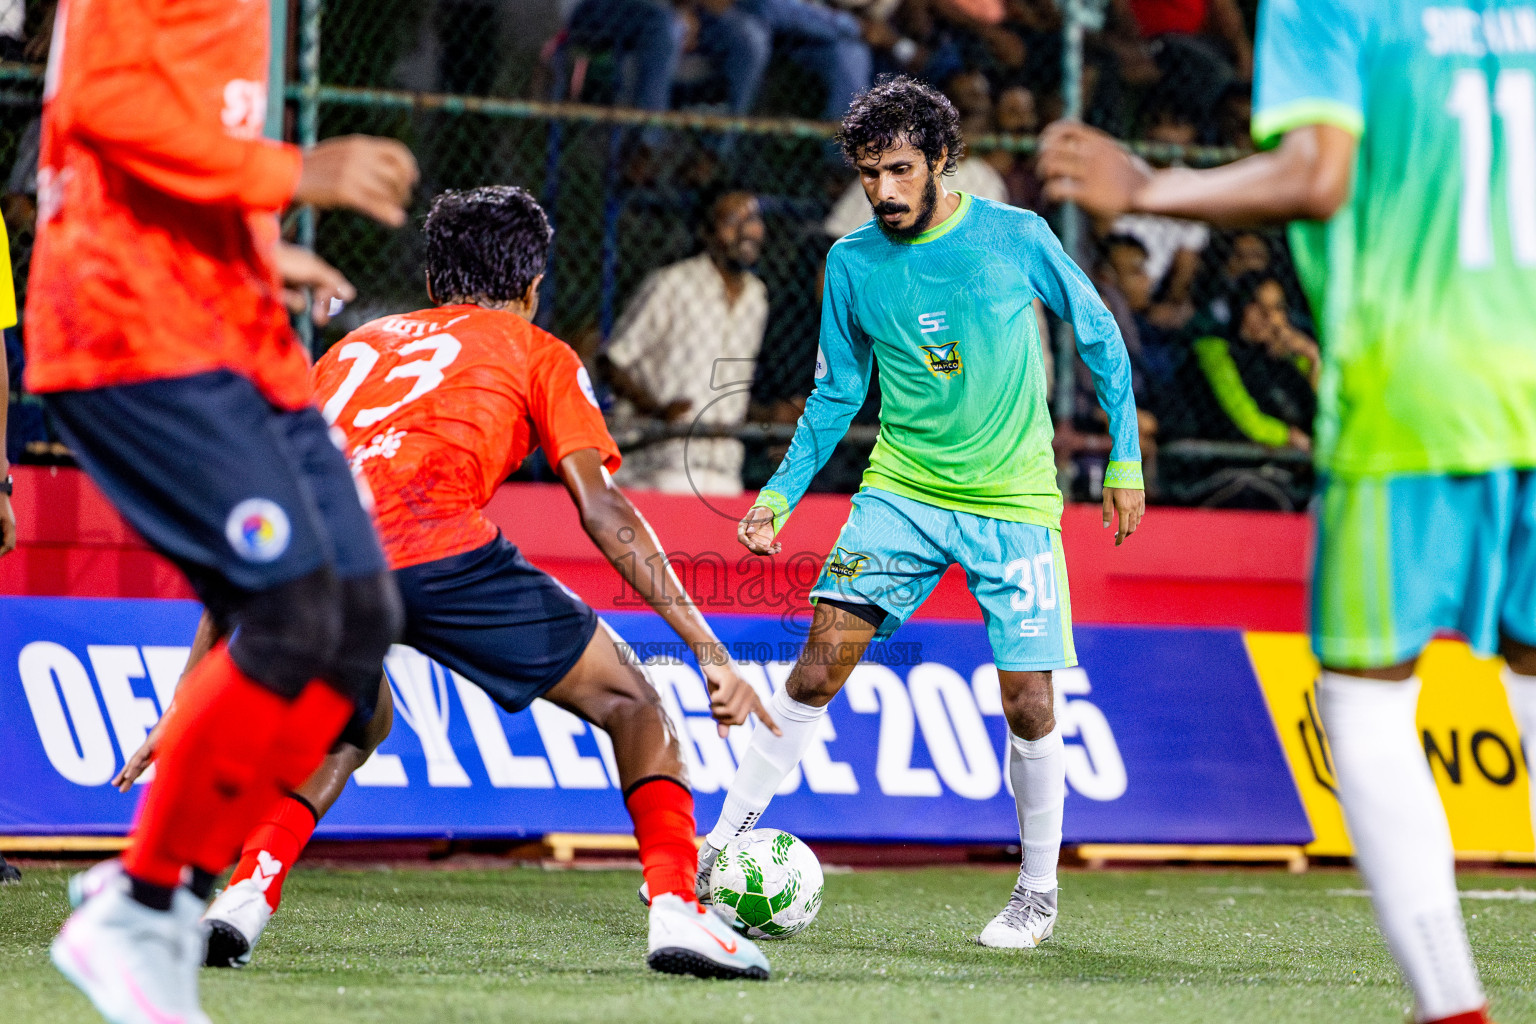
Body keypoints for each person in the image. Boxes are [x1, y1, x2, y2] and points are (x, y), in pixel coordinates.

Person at [114, 186, 779, 982]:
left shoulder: (349, 351)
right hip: (436, 545)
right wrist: (708, 649)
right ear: (533, 287)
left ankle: (244, 897)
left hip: (314, 566)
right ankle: (679, 912)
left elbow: (264, 517)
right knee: (633, 704)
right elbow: (601, 507)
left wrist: (189, 694)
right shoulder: (537, 349)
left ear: (433, 283)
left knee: (355, 723)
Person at [1039, 2, 1536, 1020]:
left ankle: (1452, 1006)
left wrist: (1151, 185)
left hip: (1414, 390)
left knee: (1364, 697)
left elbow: (1318, 174)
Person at [31, 1, 420, 1020]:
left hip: (230, 320)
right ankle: (149, 900)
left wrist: (251, 244)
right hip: (129, 327)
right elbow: (104, 105)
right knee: (291, 609)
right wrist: (292, 177)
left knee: (359, 625)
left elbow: (187, 115)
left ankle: (142, 896)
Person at [705, 75, 1145, 949]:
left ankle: (1036, 893)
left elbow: (1099, 334)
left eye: (901, 170)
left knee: (1027, 703)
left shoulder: (1015, 236)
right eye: (871, 174)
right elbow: (835, 392)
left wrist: (1124, 457)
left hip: (1014, 500)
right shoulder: (852, 261)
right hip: (900, 493)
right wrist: (781, 494)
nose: (885, 191)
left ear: (943, 160)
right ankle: (718, 846)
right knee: (818, 666)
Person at [601, 190, 767, 495]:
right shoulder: (672, 284)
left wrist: (767, 415)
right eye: (733, 220)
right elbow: (611, 363)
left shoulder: (757, 298)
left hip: (724, 467)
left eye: (753, 218)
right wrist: (654, 410)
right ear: (706, 232)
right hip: (661, 463)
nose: (748, 230)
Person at [1188, 272, 1316, 453]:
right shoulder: (1214, 349)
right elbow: (1246, 419)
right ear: (1239, 306)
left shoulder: (1288, 355)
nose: (1268, 316)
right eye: (1257, 305)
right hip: (1229, 462)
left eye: (1277, 307)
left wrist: (1312, 357)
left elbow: (1327, 406)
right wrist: (1287, 436)